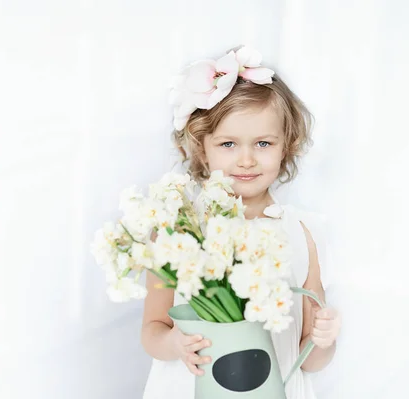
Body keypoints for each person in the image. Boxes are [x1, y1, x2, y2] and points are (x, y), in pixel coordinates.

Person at [141, 45, 342, 399]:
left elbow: (310, 359)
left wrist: (322, 340)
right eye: (228, 143)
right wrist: (175, 342)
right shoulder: (179, 231)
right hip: (192, 386)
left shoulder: (302, 234)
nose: (246, 159)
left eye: (263, 143)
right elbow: (153, 330)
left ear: (287, 146)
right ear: (201, 147)